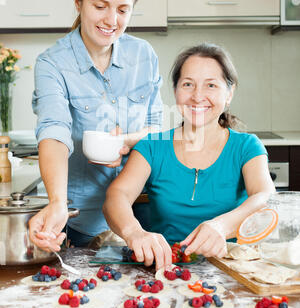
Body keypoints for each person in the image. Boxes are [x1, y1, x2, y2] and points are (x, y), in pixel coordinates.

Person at [29, 0, 163, 251]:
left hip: (141, 216)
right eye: (100, 6)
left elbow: (158, 130)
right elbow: (54, 132)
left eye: (123, 10)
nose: (111, 21)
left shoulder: (144, 56)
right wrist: (56, 202)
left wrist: (128, 141)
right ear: (78, 2)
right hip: (82, 226)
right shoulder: (52, 63)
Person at [102, 43, 276, 270]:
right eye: (188, 84)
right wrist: (134, 232)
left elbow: (266, 197)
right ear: (175, 91)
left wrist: (221, 227)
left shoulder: (246, 146)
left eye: (211, 85)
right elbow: (117, 196)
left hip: (232, 270)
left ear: (229, 94)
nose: (197, 96)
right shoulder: (153, 146)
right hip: (165, 270)